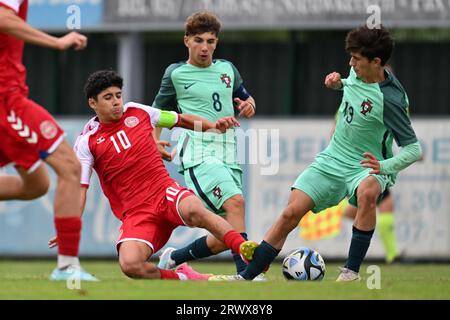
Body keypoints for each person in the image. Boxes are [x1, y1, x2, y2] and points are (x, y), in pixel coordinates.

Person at [211, 25, 423, 282]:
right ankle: (247, 277)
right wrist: (337, 85)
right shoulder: (356, 72)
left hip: (366, 166)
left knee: (368, 192)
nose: (351, 63)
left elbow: (414, 149)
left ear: (376, 62)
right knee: (291, 213)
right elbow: (353, 90)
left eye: (356, 59)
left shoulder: (391, 100)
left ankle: (351, 272)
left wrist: (385, 166)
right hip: (333, 157)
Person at [51, 70, 257, 280]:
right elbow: (79, 189)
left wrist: (213, 126)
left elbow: (181, 120)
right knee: (130, 265)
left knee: (196, 209)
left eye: (118, 95)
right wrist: (69, 225)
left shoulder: (138, 112)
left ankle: (245, 250)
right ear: (92, 103)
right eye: (108, 97)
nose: (116, 102)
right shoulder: (87, 141)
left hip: (164, 192)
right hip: (136, 213)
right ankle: (189, 278)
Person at [152, 12, 259, 278]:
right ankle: (246, 274)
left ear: (216, 42)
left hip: (229, 152)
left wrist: (248, 106)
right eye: (198, 40)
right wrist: (155, 141)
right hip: (198, 153)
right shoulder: (175, 73)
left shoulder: (227, 69)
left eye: (210, 41)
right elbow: (155, 113)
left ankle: (173, 257)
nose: (205, 47)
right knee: (236, 203)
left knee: (226, 234)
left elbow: (247, 99)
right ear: (186, 40)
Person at [0, 0, 96, 281]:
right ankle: (67, 267)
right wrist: (56, 42)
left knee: (36, 184)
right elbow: (3, 19)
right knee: (69, 167)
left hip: (10, 97)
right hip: (7, 102)